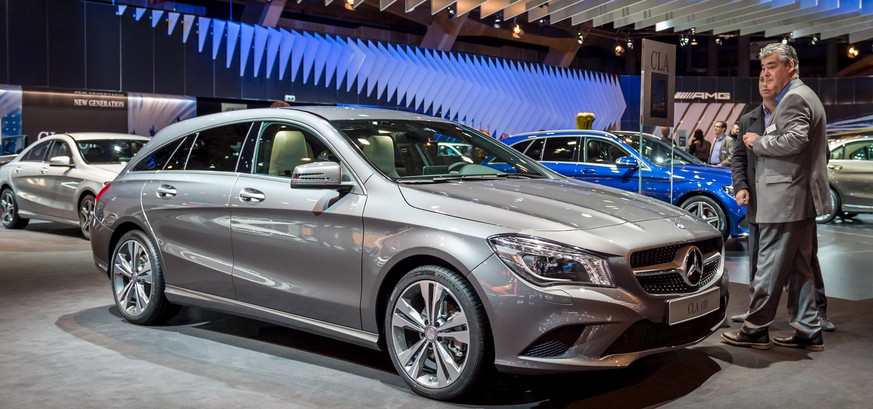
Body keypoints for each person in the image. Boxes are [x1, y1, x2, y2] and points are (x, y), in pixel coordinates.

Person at [721, 43, 832, 351]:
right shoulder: (804, 95)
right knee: (799, 269)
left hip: (785, 198)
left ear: (791, 67)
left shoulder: (795, 98)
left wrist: (759, 141)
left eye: (772, 66)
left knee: (768, 267)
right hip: (796, 198)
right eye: (763, 67)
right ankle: (809, 330)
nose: (766, 72)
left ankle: (755, 329)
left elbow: (795, 140)